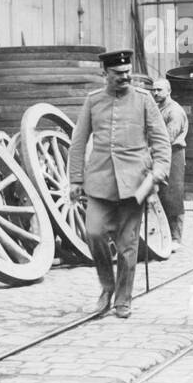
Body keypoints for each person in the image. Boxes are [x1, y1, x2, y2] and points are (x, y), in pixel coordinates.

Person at [69, 50, 172, 319]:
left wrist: (158, 173)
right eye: (118, 74)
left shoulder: (144, 99)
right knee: (93, 233)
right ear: (106, 74)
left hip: (134, 185)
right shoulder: (93, 101)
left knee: (128, 247)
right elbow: (78, 142)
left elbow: (161, 141)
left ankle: (123, 299)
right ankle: (107, 287)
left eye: (127, 73)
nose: (124, 78)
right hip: (99, 182)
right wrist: (75, 179)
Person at [151, 78, 188, 246]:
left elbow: (167, 139)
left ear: (169, 91)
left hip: (174, 155)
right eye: (154, 90)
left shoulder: (174, 112)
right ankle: (164, 235)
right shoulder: (158, 109)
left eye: (159, 90)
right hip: (160, 154)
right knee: (161, 195)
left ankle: (176, 238)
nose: (156, 93)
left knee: (173, 196)